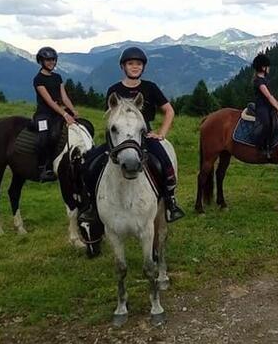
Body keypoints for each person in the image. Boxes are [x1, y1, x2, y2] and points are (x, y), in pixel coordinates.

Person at [80, 46, 184, 224]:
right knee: (90, 164)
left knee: (165, 163)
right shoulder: (114, 90)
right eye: (131, 63)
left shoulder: (150, 88)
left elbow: (169, 111)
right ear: (123, 67)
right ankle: (91, 205)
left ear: (143, 67)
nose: (135, 67)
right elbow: (111, 119)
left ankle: (170, 201)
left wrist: (161, 134)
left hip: (143, 136)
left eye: (138, 64)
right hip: (119, 138)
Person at [32, 46, 78, 182]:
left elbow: (64, 97)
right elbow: (49, 101)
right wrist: (65, 114)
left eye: (52, 59)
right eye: (47, 60)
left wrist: (73, 111)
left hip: (58, 113)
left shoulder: (57, 77)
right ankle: (43, 168)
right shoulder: (38, 79)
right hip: (43, 114)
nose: (51, 62)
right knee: (44, 137)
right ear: (41, 61)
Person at [252, 53, 278, 158]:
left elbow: (271, 96)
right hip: (261, 107)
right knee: (266, 124)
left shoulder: (264, 80)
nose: (269, 68)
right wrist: (277, 108)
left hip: (267, 106)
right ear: (263, 67)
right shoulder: (259, 81)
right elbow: (268, 96)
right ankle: (261, 146)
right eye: (268, 66)